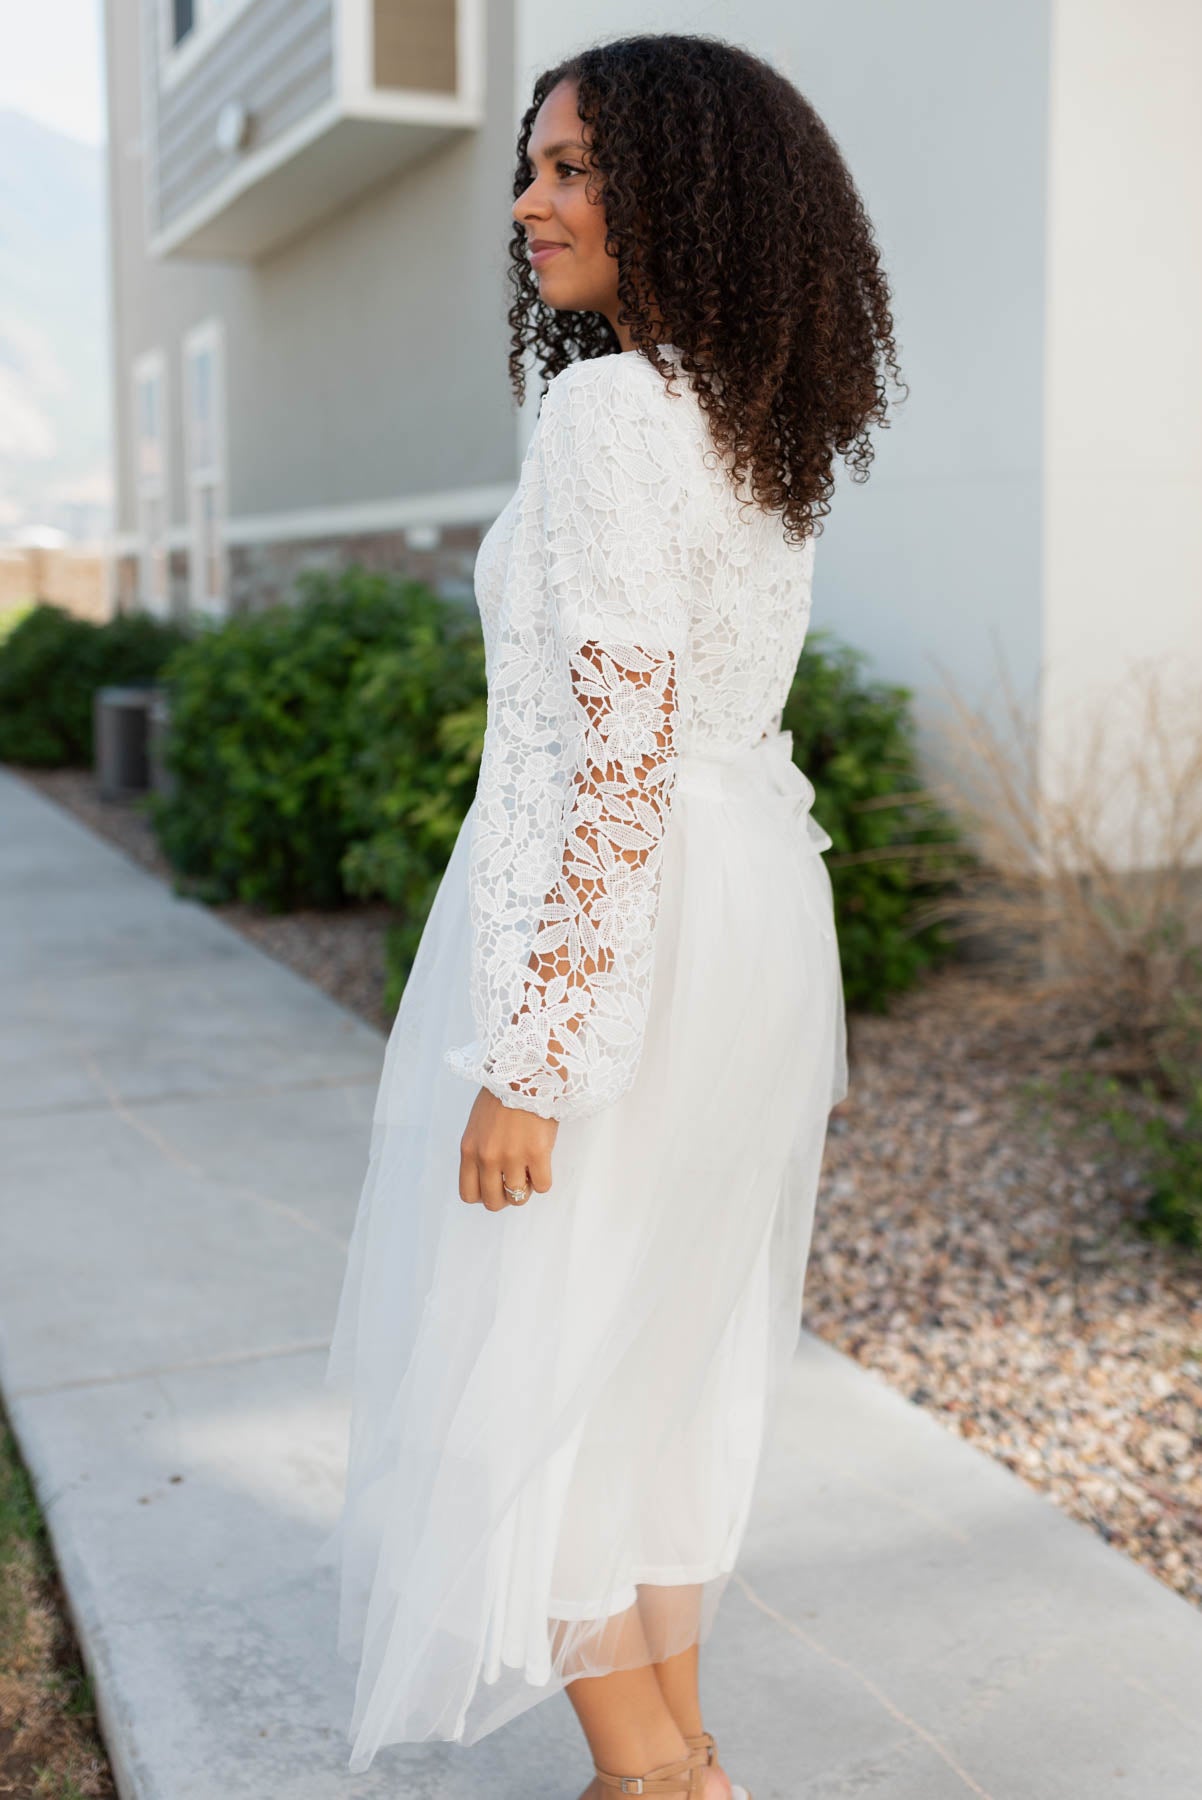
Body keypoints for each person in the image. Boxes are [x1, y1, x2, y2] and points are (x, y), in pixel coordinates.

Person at [320, 31, 904, 1799]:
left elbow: (620, 763)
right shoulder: (741, 408)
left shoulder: (604, 412)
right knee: (661, 1354)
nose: (530, 202)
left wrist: (535, 1056)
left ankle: (656, 1782)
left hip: (635, 919)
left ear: (687, 191)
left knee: (545, 1352)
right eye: (534, 165)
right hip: (743, 909)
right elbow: (713, 742)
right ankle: (674, 1753)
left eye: (575, 168)